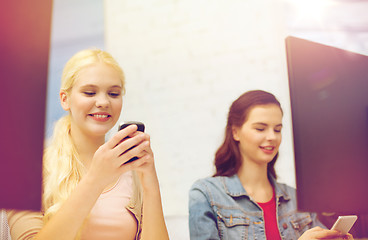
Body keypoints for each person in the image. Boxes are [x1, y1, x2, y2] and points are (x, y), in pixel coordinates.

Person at [7, 49, 169, 240]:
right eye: (90, 92)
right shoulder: (26, 171)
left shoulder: (133, 170)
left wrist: (151, 184)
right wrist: (96, 179)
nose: (103, 102)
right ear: (64, 99)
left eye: (114, 93)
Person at [188, 90, 353, 240]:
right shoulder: (206, 194)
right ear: (235, 132)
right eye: (260, 129)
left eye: (277, 129)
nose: (272, 137)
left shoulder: (297, 199)